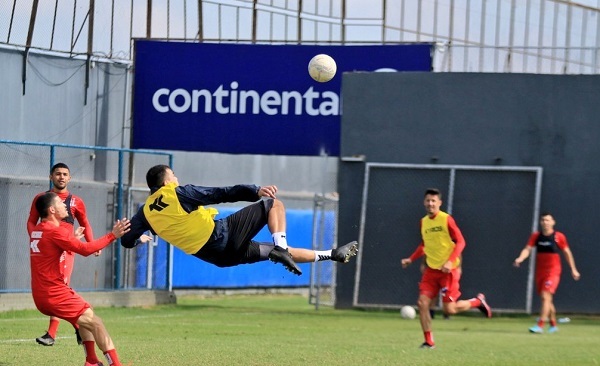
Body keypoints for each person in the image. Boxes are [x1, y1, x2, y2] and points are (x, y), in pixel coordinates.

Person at [120, 164, 358, 275]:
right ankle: (282, 249)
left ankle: (332, 254)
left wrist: (140, 239)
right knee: (274, 205)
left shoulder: (145, 213)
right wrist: (255, 190)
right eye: (173, 175)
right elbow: (221, 193)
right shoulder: (177, 193)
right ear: (165, 182)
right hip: (222, 235)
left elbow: (126, 240)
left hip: (218, 257)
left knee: (274, 249)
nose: (177, 177)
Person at [30, 191, 130, 366]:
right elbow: (85, 250)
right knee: (96, 323)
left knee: (87, 314)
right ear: (52, 210)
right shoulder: (56, 232)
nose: (64, 206)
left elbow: (51, 248)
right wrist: (112, 235)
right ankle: (115, 364)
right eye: (60, 204)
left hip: (42, 293)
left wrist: (72, 239)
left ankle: (91, 361)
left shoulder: (38, 230)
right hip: (54, 294)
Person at [401, 188, 491, 349]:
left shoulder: (446, 219)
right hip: (431, 271)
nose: (430, 203)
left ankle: (477, 302)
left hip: (448, 272)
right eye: (428, 200)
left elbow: (461, 241)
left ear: (439, 203)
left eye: (433, 201)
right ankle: (429, 341)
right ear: (424, 202)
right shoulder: (423, 222)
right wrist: (411, 259)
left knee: (449, 310)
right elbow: (425, 245)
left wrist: (450, 262)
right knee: (422, 304)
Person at [27, 162, 98, 346]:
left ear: (70, 178)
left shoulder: (76, 202)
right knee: (56, 289)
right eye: (57, 173)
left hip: (67, 251)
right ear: (51, 176)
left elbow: (85, 223)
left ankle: (53, 333)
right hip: (49, 251)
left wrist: (92, 244)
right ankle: (77, 327)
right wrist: (37, 240)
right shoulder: (41, 199)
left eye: (65, 174)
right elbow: (31, 222)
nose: (61, 177)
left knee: (60, 288)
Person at [513, 212, 581, 334]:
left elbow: (567, 253)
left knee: (545, 296)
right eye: (543, 220)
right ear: (540, 222)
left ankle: (540, 325)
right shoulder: (536, 236)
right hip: (540, 272)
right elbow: (527, 249)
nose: (545, 222)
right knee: (547, 299)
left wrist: (573, 269)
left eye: (548, 220)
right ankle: (553, 325)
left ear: (553, 222)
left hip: (553, 271)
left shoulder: (558, 237)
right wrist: (520, 258)